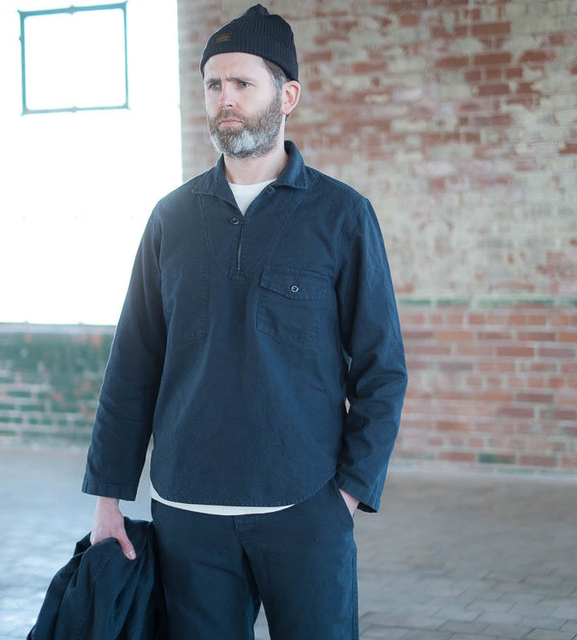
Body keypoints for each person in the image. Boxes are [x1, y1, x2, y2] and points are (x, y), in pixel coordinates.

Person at [82, 4, 407, 639]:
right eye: (213, 84)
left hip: (304, 505)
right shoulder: (171, 219)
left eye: (242, 83)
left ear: (288, 96)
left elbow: (382, 367)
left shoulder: (342, 216)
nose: (224, 98)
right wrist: (107, 500)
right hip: (186, 513)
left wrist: (347, 494)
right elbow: (132, 366)